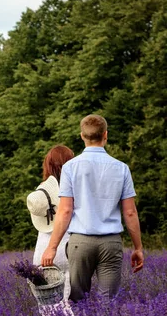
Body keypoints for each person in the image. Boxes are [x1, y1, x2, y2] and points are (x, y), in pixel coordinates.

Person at [41, 114, 144, 302]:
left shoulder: (70, 168)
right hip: (111, 243)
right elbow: (130, 212)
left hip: (80, 243)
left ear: (82, 136)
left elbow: (65, 211)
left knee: (78, 302)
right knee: (108, 302)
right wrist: (138, 247)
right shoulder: (121, 168)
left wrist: (51, 247)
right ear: (105, 135)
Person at [26, 145, 74, 308]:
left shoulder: (42, 191)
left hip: (42, 249)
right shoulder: (73, 189)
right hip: (66, 245)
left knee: (46, 300)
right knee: (68, 300)